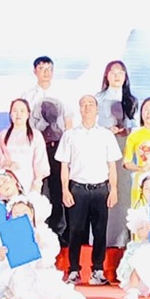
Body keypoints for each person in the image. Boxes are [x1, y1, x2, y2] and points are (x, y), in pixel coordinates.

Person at [0, 194, 85, 299]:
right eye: (17, 214)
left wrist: (40, 243)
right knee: (12, 278)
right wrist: (0, 255)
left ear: (32, 213)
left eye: (25, 213)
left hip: (37, 268)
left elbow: (52, 250)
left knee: (44, 286)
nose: (21, 216)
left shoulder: (41, 231)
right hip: (13, 270)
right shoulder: (6, 233)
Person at [56, 94, 121, 286]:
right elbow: (64, 166)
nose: (87, 108)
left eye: (91, 104)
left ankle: (98, 270)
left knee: (100, 231)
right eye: (83, 104)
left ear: (97, 109)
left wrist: (114, 189)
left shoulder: (106, 135)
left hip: (101, 189)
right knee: (75, 231)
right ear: (79, 109)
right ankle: (74, 270)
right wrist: (65, 190)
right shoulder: (70, 135)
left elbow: (112, 166)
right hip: (77, 188)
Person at [22, 56, 74, 238]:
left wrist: (69, 148)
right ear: (34, 71)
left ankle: (60, 231)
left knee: (58, 187)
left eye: (49, 69)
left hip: (57, 146)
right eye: (42, 69)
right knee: (37, 187)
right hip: (35, 147)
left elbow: (68, 121)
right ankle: (36, 229)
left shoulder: (61, 93)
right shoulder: (28, 96)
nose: (46, 73)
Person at [97, 60, 136, 249]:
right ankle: (103, 238)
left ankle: (123, 238)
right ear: (107, 75)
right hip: (103, 148)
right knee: (105, 189)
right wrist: (107, 130)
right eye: (113, 72)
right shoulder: (98, 99)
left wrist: (127, 130)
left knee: (124, 190)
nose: (117, 76)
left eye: (121, 72)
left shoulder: (131, 100)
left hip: (124, 147)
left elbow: (136, 125)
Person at [0, 98, 50, 199]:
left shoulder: (35, 135)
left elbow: (40, 160)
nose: (18, 114)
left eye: (22, 111)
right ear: (10, 114)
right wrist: (7, 163)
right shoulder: (3, 135)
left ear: (28, 114)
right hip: (8, 183)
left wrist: (38, 181)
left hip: (30, 182)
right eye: (15, 111)